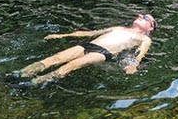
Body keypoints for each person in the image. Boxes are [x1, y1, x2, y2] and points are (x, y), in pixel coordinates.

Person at [16, 13, 156, 86]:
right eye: (140, 15)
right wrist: (62, 35)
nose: (139, 16)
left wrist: (133, 65)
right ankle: (19, 74)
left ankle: (33, 83)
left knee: (72, 65)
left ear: (150, 28)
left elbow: (140, 53)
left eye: (144, 18)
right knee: (54, 58)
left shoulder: (145, 39)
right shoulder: (118, 28)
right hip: (88, 45)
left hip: (103, 53)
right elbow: (90, 33)